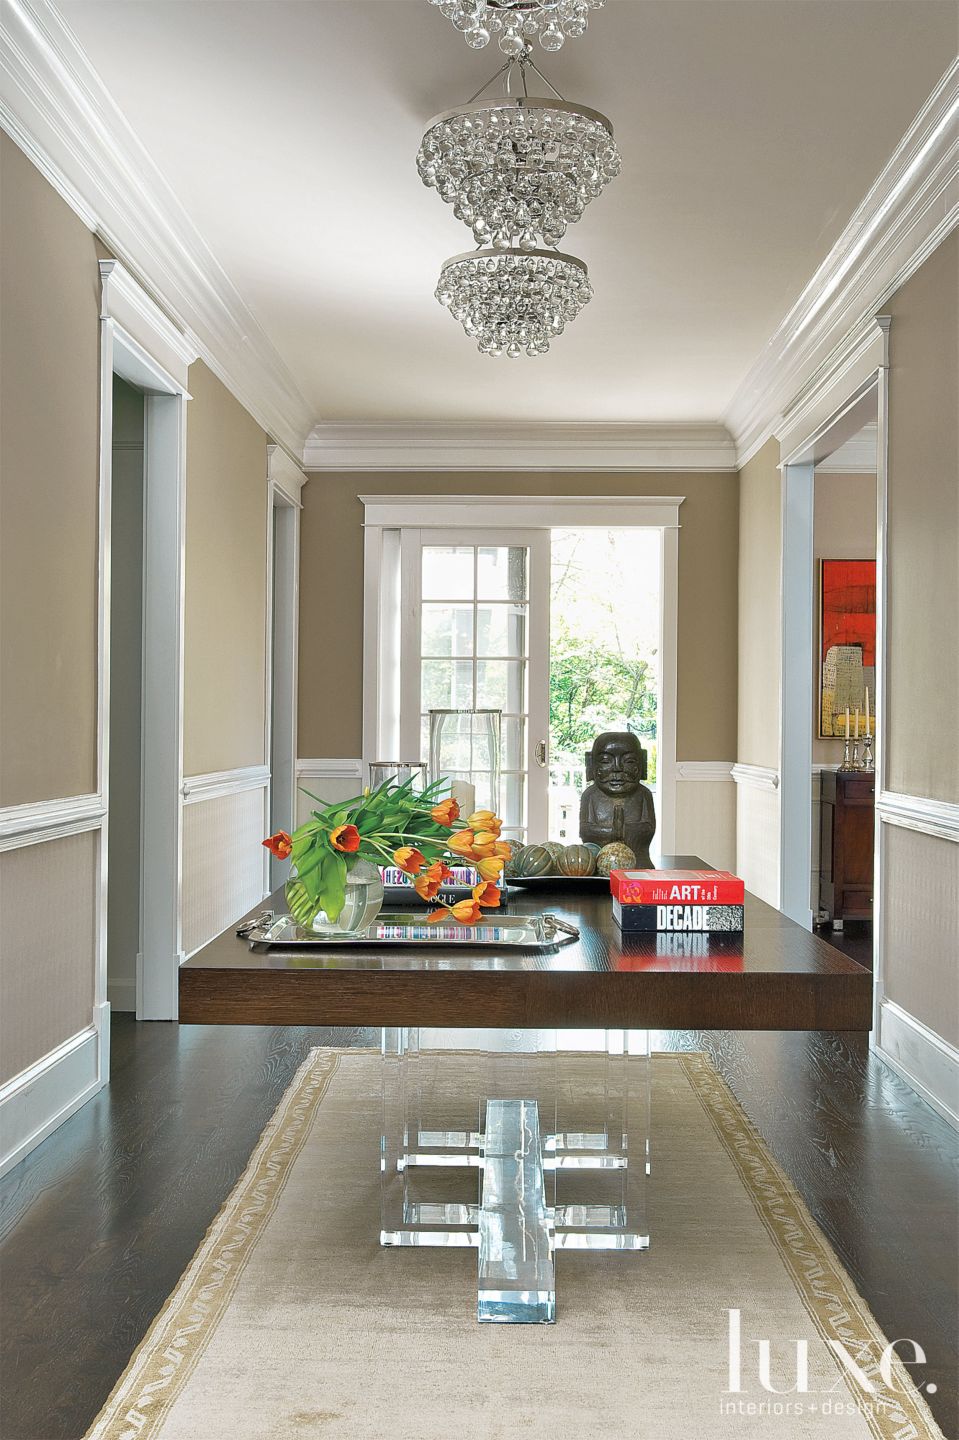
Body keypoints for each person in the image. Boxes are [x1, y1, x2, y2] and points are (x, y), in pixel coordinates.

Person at [579, 731, 656, 867]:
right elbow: (585, 832)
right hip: (598, 862)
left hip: (638, 860)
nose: (617, 768)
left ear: (641, 762)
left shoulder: (644, 794)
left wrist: (623, 830)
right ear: (591, 764)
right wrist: (613, 832)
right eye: (605, 761)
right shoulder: (590, 795)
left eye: (629, 761)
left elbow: (648, 829)